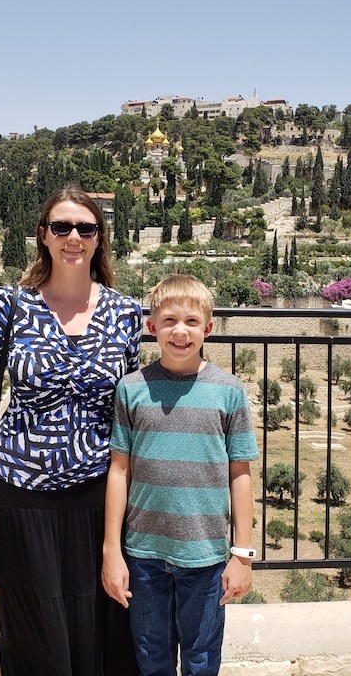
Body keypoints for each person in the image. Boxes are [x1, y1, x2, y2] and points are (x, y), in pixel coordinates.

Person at [0, 185, 143, 676]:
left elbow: (132, 406)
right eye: (62, 226)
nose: (73, 236)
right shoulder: (8, 305)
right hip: (18, 493)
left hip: (98, 495)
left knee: (102, 625)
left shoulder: (125, 313)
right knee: (34, 628)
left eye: (86, 228)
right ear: (43, 236)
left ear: (100, 239)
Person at [102, 274, 259, 676]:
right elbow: (119, 470)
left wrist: (242, 554)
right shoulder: (131, 389)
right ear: (152, 327)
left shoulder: (228, 391)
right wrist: (112, 549)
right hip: (143, 553)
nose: (180, 331)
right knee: (150, 658)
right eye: (169, 320)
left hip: (205, 556)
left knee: (201, 659)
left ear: (208, 328)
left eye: (191, 321)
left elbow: (240, 474)